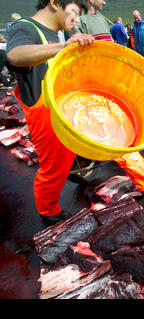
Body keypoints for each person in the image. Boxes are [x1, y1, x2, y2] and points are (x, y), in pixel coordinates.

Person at [6, 0, 96, 224]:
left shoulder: (58, 33)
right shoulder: (26, 27)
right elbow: (15, 55)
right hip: (43, 112)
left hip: (65, 107)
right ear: (55, 3)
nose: (77, 20)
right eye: (74, 12)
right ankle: (48, 211)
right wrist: (64, 46)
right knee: (53, 168)